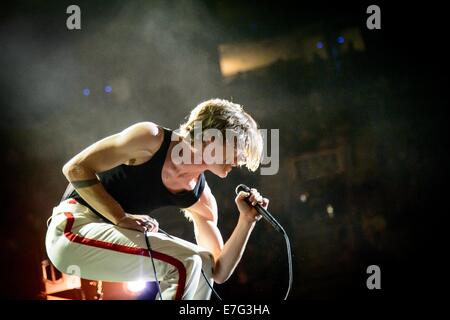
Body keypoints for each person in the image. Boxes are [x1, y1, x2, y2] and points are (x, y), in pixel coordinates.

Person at [45, 98, 269, 300]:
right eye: (239, 147)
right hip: (73, 229)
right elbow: (75, 169)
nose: (240, 160)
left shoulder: (202, 199)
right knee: (187, 263)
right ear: (212, 137)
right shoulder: (150, 138)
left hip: (105, 245)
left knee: (202, 264)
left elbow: (218, 271)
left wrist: (246, 221)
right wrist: (120, 217)